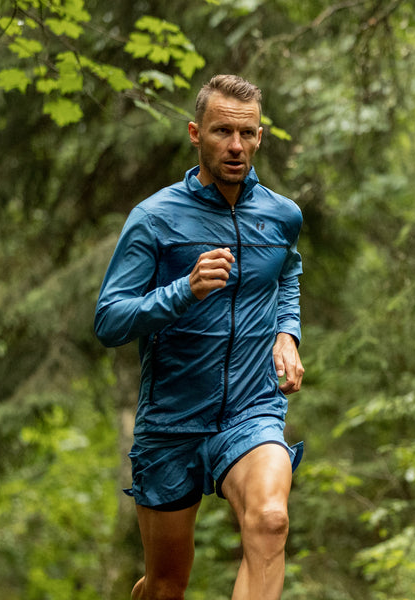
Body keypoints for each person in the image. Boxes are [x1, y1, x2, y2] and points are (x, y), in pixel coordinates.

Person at [94, 74, 305, 600]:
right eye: (221, 132)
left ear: (260, 137)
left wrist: (287, 331)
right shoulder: (154, 218)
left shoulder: (281, 216)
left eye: (247, 134)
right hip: (172, 421)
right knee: (166, 586)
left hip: (251, 408)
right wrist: (182, 291)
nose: (235, 146)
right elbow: (110, 320)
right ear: (196, 133)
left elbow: (286, 273)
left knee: (271, 520)